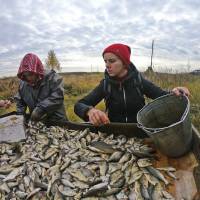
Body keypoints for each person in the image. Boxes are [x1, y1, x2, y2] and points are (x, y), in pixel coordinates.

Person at [74, 43, 190, 126]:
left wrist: (176, 91)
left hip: (139, 130)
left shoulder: (139, 81)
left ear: (124, 63)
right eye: (105, 61)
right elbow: (79, 105)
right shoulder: (105, 85)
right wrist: (89, 111)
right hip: (115, 132)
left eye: (112, 61)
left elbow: (163, 96)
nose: (107, 65)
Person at [15, 53, 68, 123]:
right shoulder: (23, 84)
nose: (28, 78)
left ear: (37, 70)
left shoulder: (52, 78)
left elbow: (58, 96)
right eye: (25, 75)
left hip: (57, 121)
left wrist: (41, 109)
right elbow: (20, 101)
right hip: (37, 123)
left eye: (30, 74)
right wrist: (20, 115)